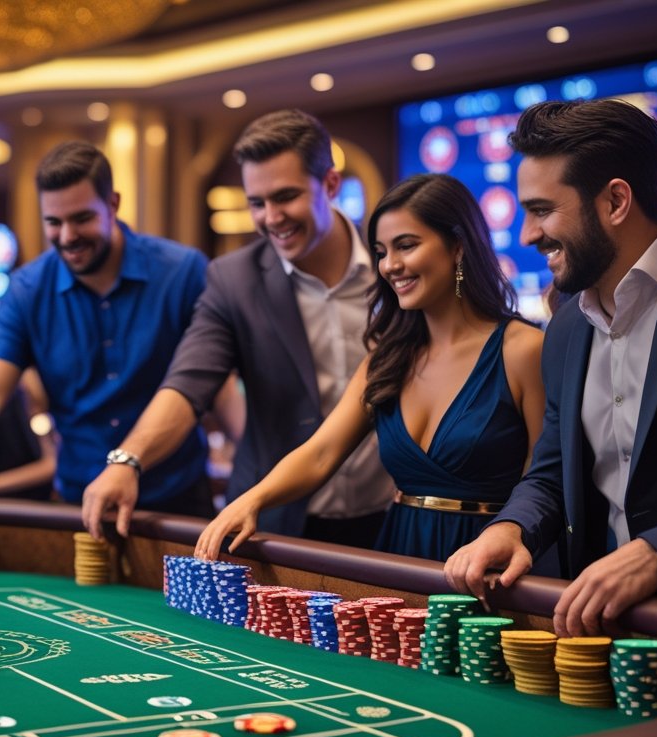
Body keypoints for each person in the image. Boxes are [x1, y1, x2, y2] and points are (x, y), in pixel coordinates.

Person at [445, 99, 657, 635]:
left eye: (541, 210)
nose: (529, 235)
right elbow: (553, 471)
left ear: (616, 201)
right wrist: (512, 526)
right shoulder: (564, 327)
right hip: (597, 634)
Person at [82, 109, 395, 549]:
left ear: (329, 184)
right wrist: (127, 461)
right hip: (275, 525)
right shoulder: (233, 280)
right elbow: (189, 383)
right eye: (256, 202)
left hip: (390, 518)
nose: (271, 217)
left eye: (285, 196)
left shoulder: (394, 266)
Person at [194, 174, 544, 561]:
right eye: (380, 251)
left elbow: (544, 481)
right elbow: (322, 453)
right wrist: (252, 501)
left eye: (406, 246)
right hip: (399, 557)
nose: (390, 265)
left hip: (489, 562)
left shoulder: (523, 350)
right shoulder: (388, 357)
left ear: (458, 247)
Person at [0, 140, 210, 519]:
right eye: (53, 222)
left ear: (113, 204)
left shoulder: (182, 272)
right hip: (81, 502)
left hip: (177, 500)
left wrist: (130, 462)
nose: (67, 236)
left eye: (82, 219)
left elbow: (199, 384)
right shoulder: (28, 289)